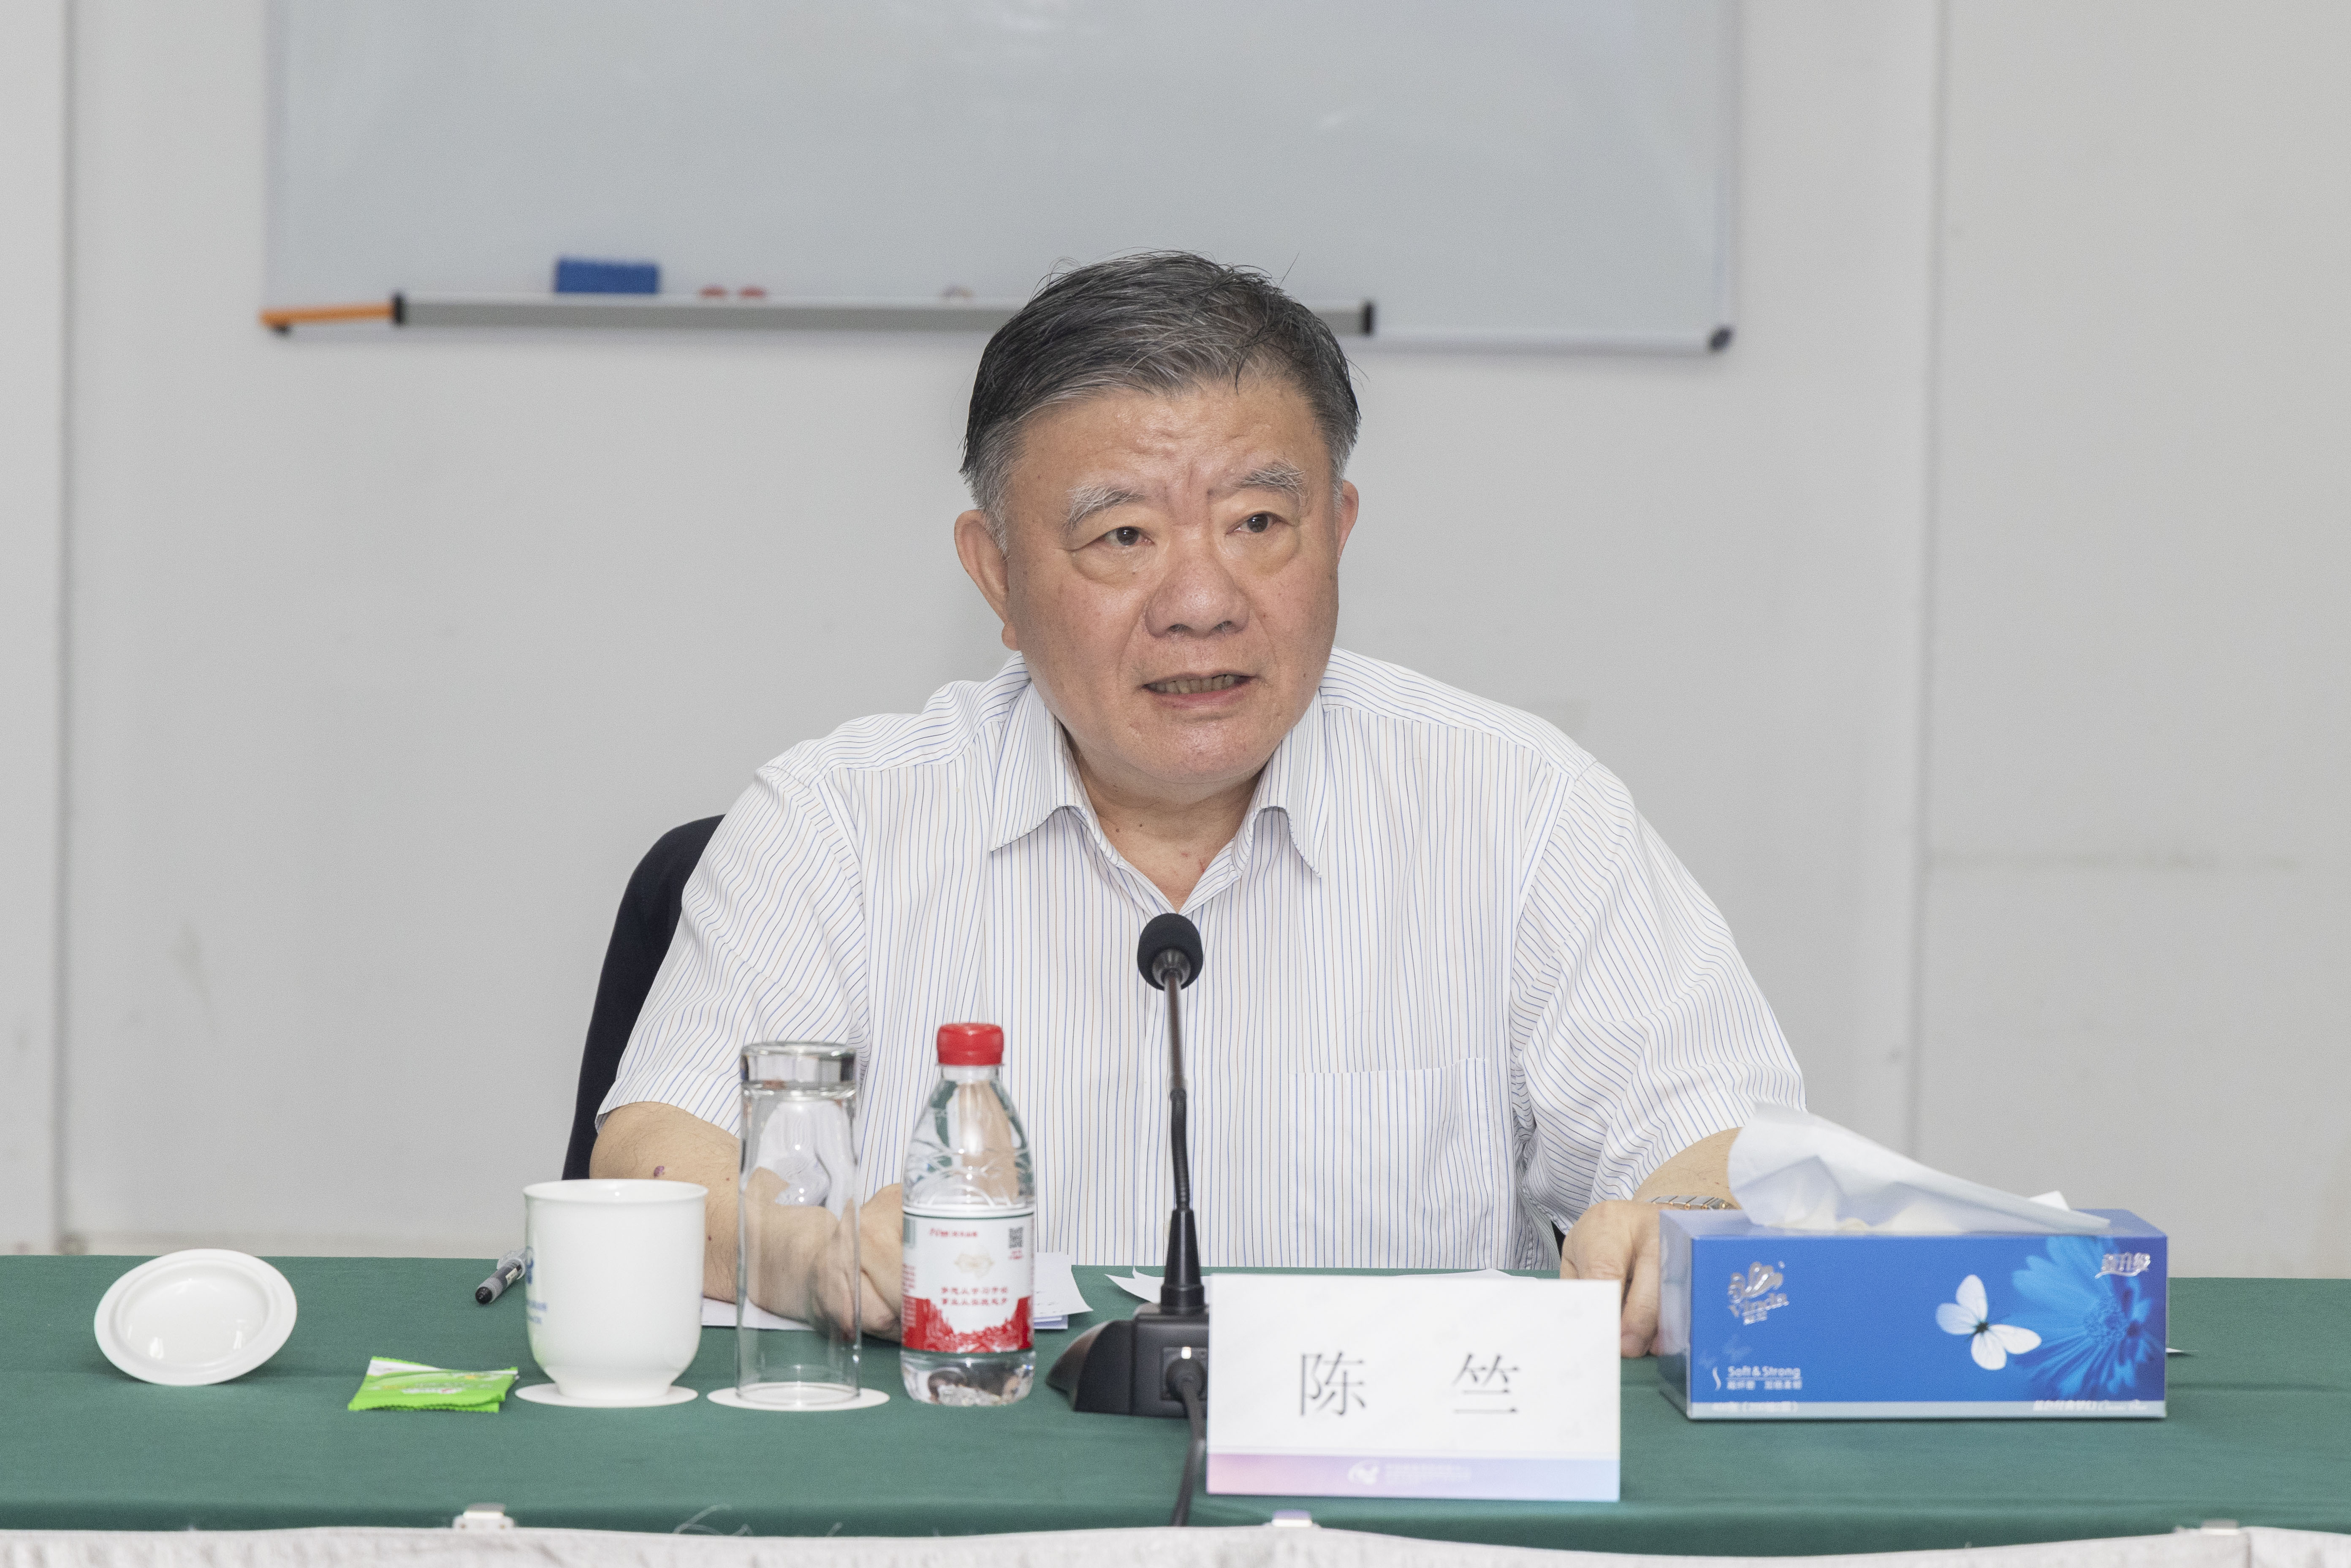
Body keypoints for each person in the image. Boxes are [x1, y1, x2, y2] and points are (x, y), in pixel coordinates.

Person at [592, 252, 1804, 1358]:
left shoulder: (1523, 813)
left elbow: (1725, 1143)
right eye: (1124, 535)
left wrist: (1678, 1224)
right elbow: (653, 1158)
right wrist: (814, 1255)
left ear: (1338, 532)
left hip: (1385, 1487)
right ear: (996, 575)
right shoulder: (836, 822)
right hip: (959, 1468)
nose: (1202, 601)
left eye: (1258, 524)